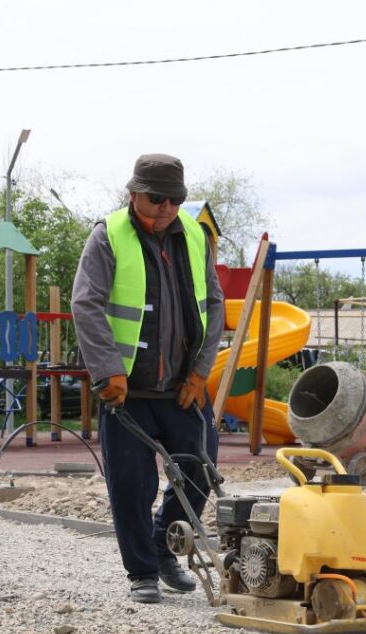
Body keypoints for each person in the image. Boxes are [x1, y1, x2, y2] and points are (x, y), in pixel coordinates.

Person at [71, 153, 225, 604]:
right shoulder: (108, 236)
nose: (165, 207)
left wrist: (200, 372)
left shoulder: (195, 236)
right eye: (156, 198)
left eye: (174, 199)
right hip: (128, 392)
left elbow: (214, 304)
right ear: (134, 193)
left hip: (183, 389)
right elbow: (87, 303)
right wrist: (107, 370)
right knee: (133, 484)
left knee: (200, 471)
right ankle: (140, 570)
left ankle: (162, 550)